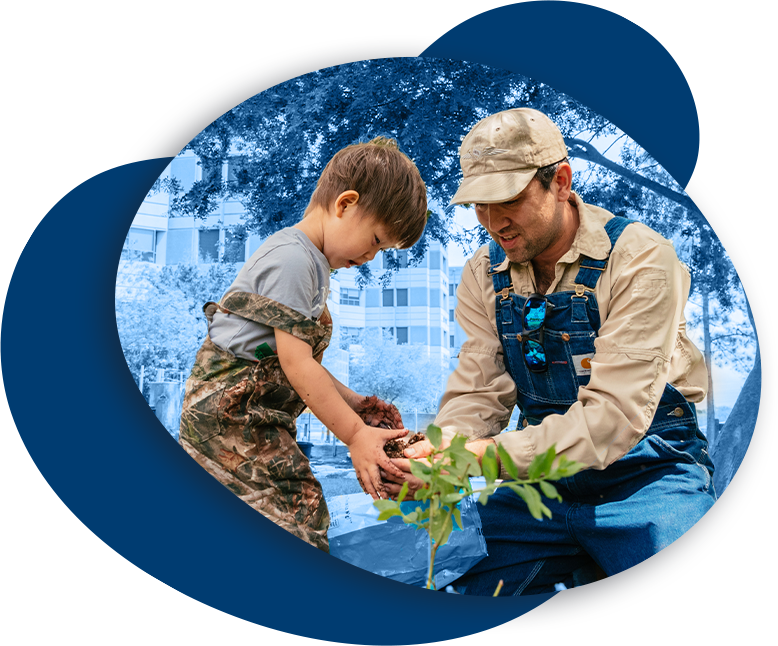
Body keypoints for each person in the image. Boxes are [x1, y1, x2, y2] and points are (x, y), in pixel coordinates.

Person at [382, 108, 716, 594]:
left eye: (509, 201)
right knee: (438, 582)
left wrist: (473, 460)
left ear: (560, 181)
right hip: (535, 488)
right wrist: (436, 452)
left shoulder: (641, 259)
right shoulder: (482, 274)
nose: (495, 223)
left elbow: (612, 421)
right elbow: (479, 391)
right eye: (479, 206)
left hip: (649, 474)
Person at [179, 137, 428, 552]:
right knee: (293, 520)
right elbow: (297, 366)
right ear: (345, 204)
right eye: (377, 240)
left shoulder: (310, 262)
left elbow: (291, 362)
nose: (372, 255)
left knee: (303, 505)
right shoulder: (294, 260)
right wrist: (355, 436)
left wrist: (355, 403)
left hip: (256, 416)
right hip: (229, 422)